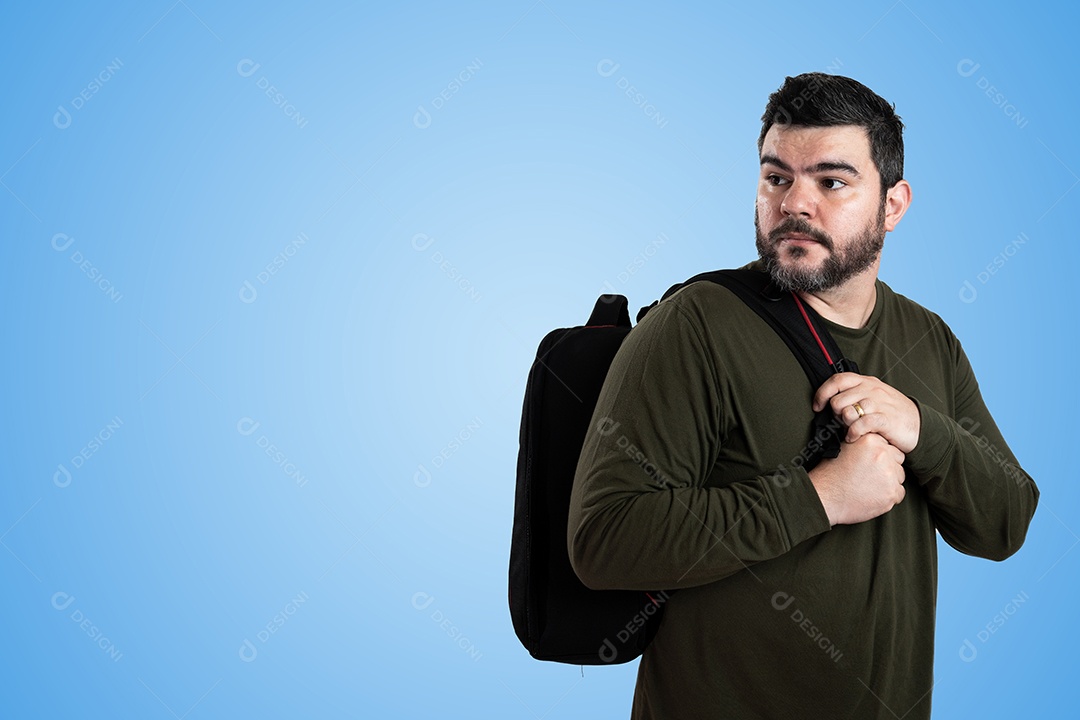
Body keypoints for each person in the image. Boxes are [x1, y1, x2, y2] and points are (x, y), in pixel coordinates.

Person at [567, 73, 1039, 719]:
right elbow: (605, 541)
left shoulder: (929, 337)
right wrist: (819, 498)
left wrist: (926, 432)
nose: (796, 203)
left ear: (893, 205)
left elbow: (1005, 524)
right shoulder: (696, 324)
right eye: (776, 178)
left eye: (831, 181)